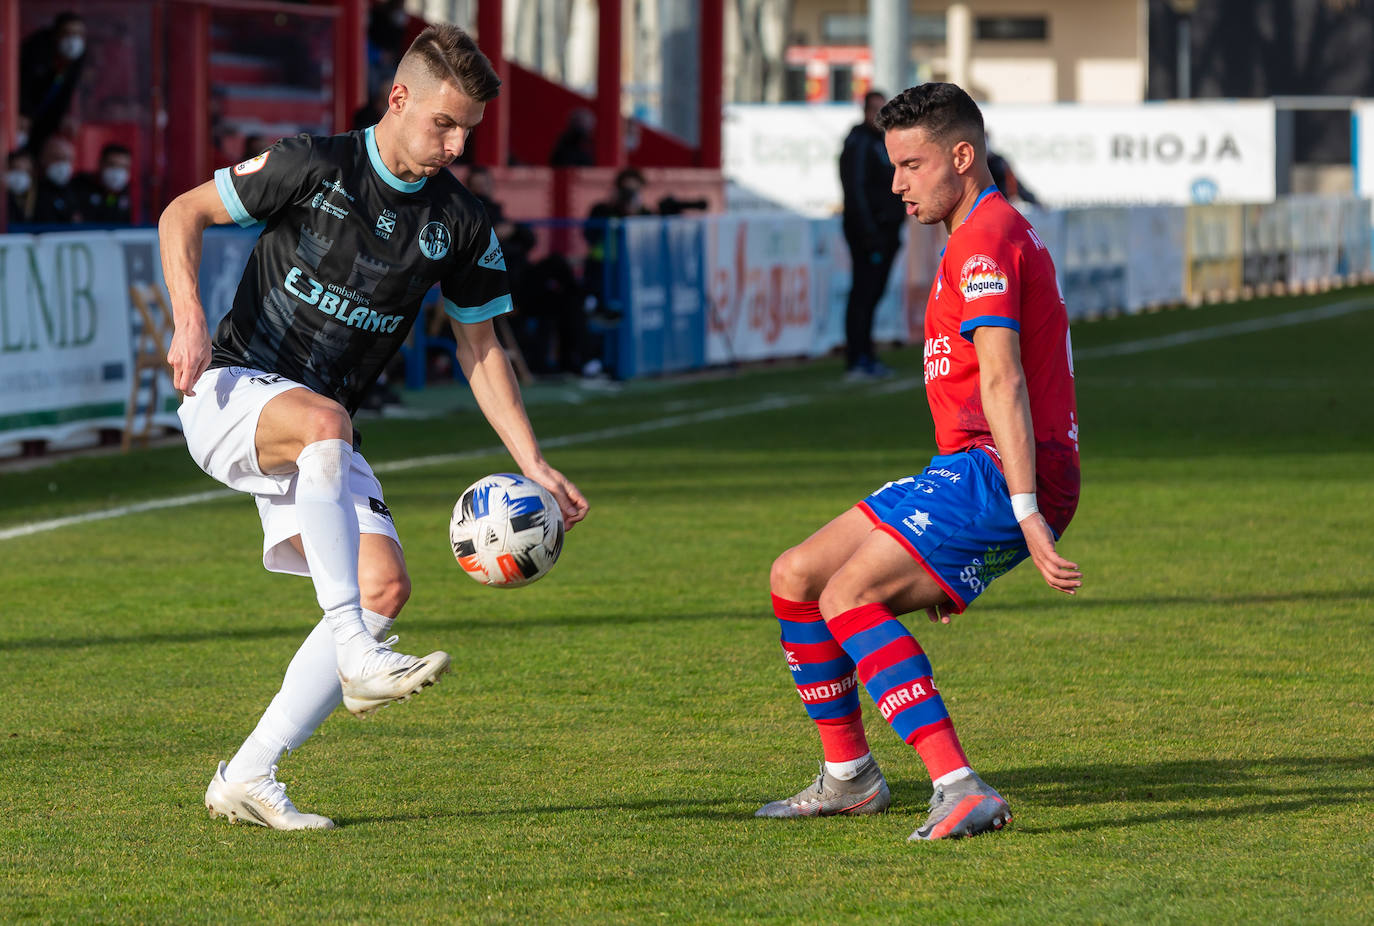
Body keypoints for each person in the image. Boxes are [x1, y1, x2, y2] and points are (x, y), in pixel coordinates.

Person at [158, 23, 589, 831]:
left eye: (468, 130)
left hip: (324, 431)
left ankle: (249, 775)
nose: (456, 145)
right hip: (234, 390)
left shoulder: (459, 222)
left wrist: (533, 461)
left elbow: (480, 345)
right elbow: (183, 213)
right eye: (444, 124)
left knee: (387, 585)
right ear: (400, 99)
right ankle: (355, 652)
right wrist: (187, 318)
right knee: (328, 427)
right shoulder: (312, 164)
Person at [757, 83, 1081, 841]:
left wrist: (1026, 514)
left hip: (1001, 471)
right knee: (796, 577)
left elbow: (1003, 379)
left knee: (848, 596)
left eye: (910, 164)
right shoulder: (975, 233)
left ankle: (959, 784)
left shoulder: (985, 240)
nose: (896, 182)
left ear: (961, 158)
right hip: (965, 468)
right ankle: (850, 779)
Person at [839, 90, 906, 381]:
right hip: (868, 233)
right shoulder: (859, 144)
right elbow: (855, 190)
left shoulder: (882, 144)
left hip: (885, 231)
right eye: (875, 110)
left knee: (873, 294)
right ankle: (858, 357)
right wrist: (869, 231)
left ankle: (866, 353)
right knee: (863, 293)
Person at [19, 12, 88, 158]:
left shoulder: (78, 58)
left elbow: (66, 92)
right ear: (55, 35)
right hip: (21, 117)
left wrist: (61, 118)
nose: (73, 40)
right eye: (68, 33)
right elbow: (21, 85)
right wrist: (23, 112)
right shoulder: (34, 50)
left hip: (44, 120)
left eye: (78, 34)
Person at [72, 142, 133, 224]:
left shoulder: (124, 192)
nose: (117, 172)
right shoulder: (80, 185)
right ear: (101, 164)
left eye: (123, 167)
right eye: (112, 165)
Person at [32, 134, 79, 224]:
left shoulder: (80, 189)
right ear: (43, 159)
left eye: (67, 159)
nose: (62, 164)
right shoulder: (31, 190)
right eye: (56, 158)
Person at [5, 149, 37, 225]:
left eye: (25, 171)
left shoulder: (40, 196)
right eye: (16, 169)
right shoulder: (3, 197)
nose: (20, 176)